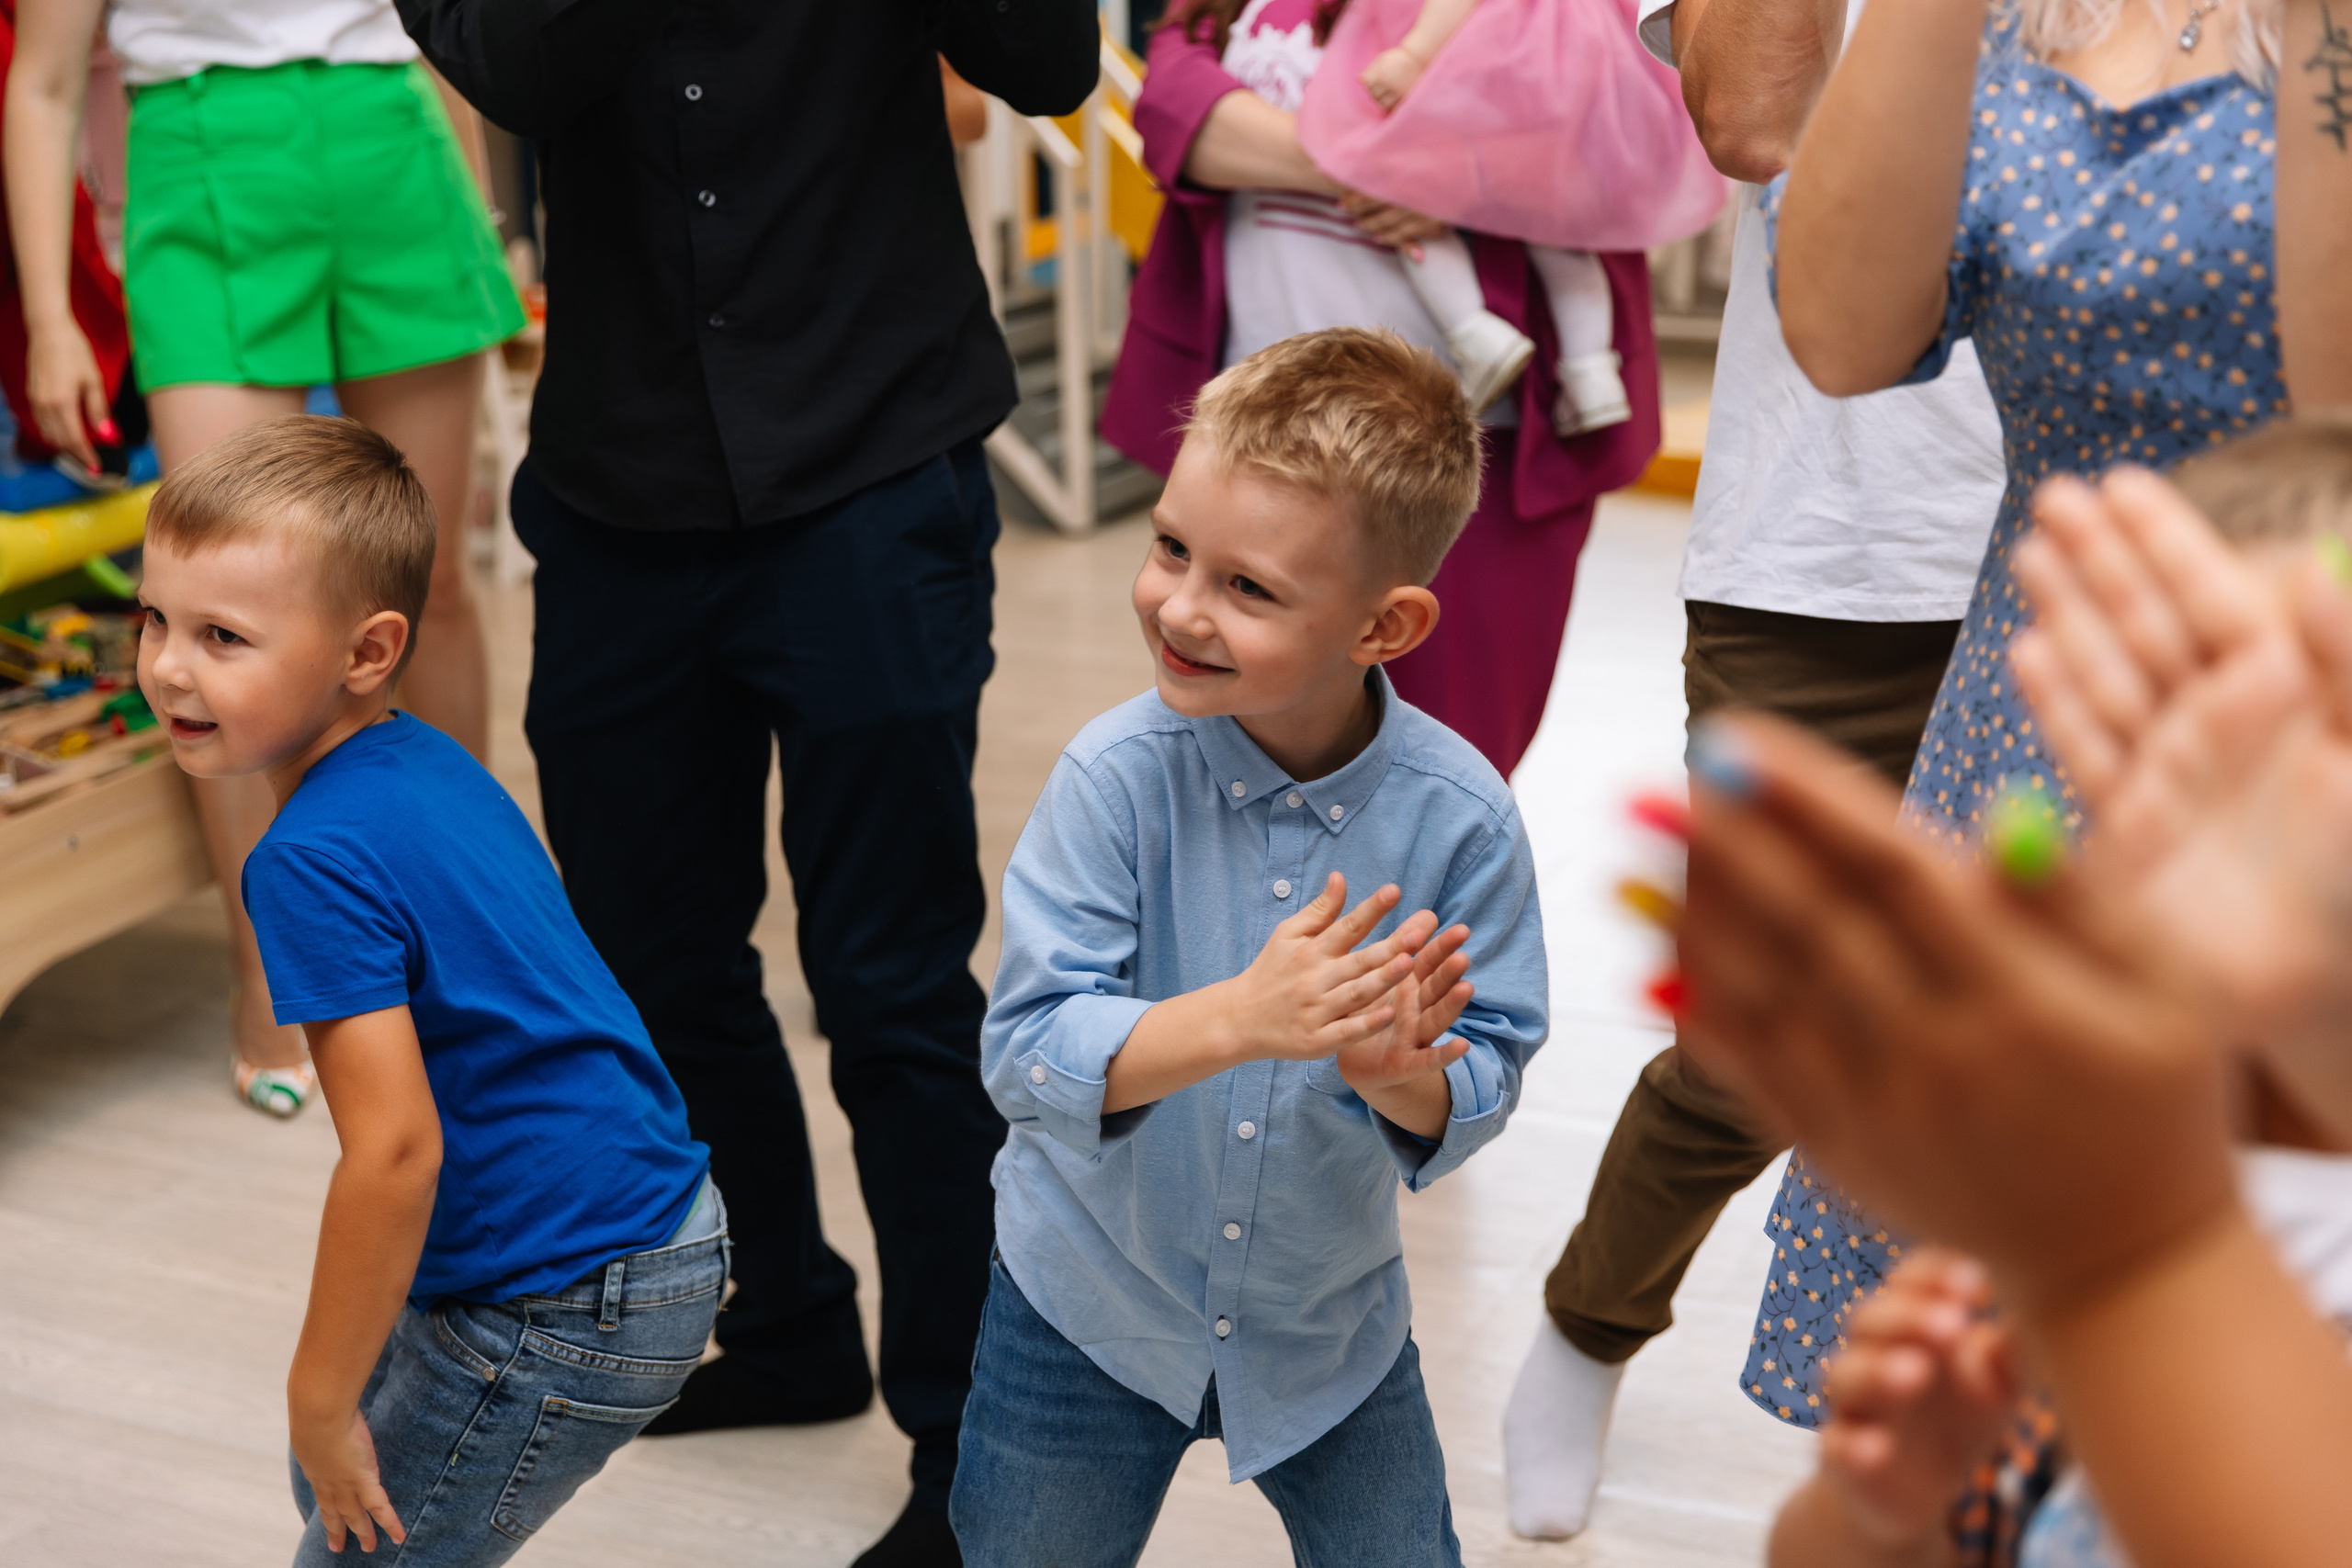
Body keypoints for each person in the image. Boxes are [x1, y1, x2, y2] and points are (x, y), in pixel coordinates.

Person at [392, 5, 1098, 1562]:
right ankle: (785, 1322)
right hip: (620, 491)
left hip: (873, 460)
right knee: (652, 961)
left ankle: (974, 1444)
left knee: (894, 983)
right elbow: (512, 66)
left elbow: (1051, 63)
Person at [1735, 0, 2306, 1427]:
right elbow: (1846, 331)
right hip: (2038, 737)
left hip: (2309, 726)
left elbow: (2340, 402)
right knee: (1974, 1406)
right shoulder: (2019, 29)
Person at [1498, 0, 2007, 1539]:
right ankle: (1589, 1328)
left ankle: (1992, 1441)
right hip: (1826, 571)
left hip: (2083, 566)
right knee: (1754, 1030)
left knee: (2028, 1030)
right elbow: (1755, 122)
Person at [951, 328, 1549, 1566]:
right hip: (1087, 1307)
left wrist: (1401, 1070)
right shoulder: (1112, 781)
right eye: (1173, 547)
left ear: (1386, 624)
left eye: (1249, 588)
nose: (1179, 605)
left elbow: (1486, 1069)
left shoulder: (1463, 818)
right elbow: (1024, 1052)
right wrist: (1242, 1015)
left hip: (1327, 1328)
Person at [1745, 421, 2352, 1568]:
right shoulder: (2069, 1199)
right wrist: (1881, 1516)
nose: (2251, 838)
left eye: (2313, 749)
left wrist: (2130, 1253)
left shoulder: (2117, 1212)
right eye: (2189, 754)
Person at [134, 415, 718, 1567]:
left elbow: (395, 1155)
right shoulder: (425, 757)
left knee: (354, 1521)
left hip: (561, 1293)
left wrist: (314, 1391)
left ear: (365, 653)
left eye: (223, 636)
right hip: (649, 1234)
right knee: (333, 1491)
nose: (166, 666)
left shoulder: (305, 859)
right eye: (153, 618)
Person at [6, 0, 524, 1117]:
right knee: (216, 612)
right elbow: (44, 83)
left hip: (395, 137)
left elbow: (446, 29)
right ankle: (271, 978)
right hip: (204, 154)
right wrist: (52, 317)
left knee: (422, 588)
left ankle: (453, 939)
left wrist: (480, 205)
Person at [1102, 0, 1665, 779]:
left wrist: (1470, 174)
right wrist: (1384, 162)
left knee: (1452, 750)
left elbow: (1630, 133)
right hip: (1256, 445)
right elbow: (1174, 104)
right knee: (1240, 748)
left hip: (1482, 453)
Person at [1298, 0, 1724, 430]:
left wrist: (1415, 54)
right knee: (1561, 228)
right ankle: (1591, 369)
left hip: (1498, 47)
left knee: (1408, 182)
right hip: (1578, 53)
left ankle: (1475, 335)